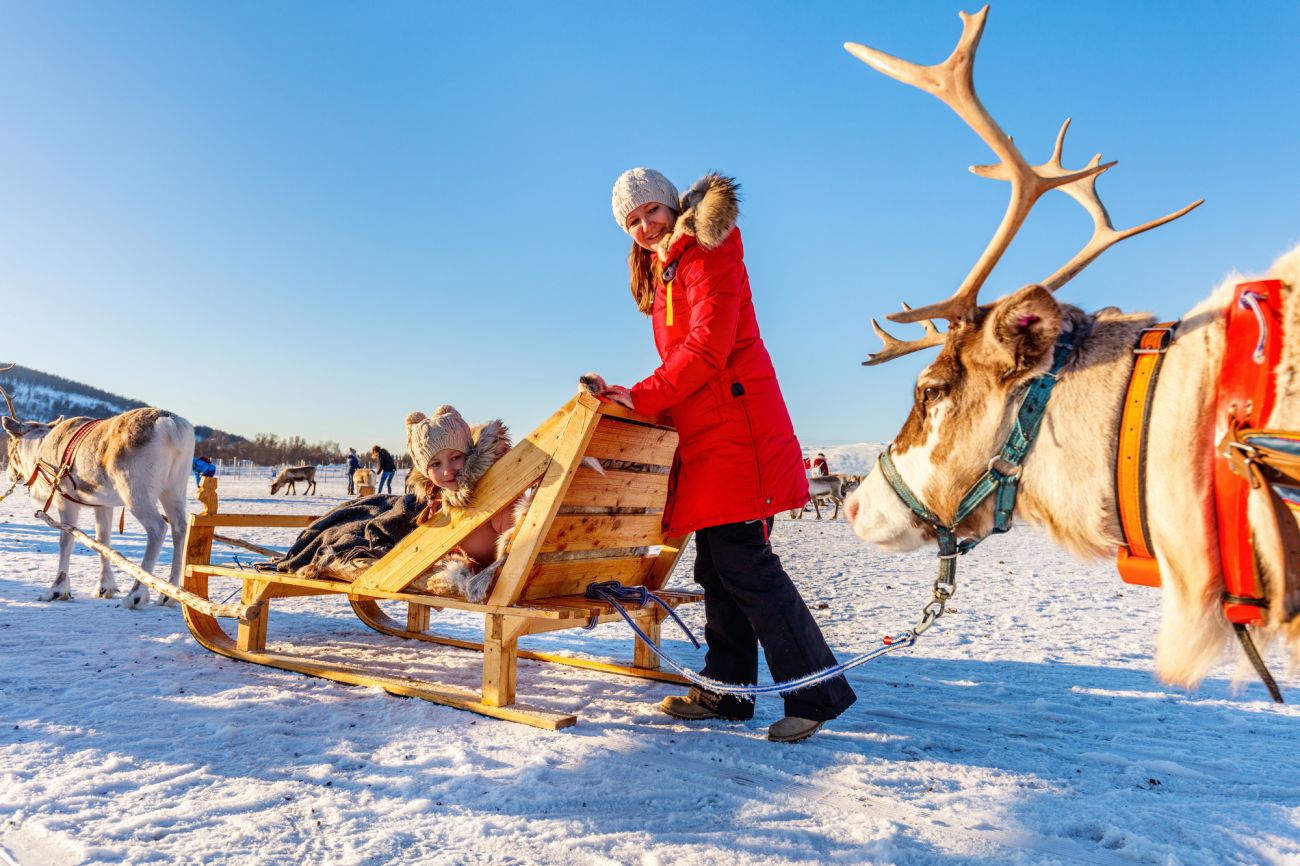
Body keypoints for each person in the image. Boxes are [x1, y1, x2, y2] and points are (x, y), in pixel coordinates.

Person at [595, 168, 856, 743]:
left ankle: (816, 693)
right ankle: (727, 691)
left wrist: (645, 394)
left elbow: (708, 349)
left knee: (746, 564)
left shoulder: (706, 253)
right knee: (717, 568)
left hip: (741, 430)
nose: (645, 225)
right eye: (632, 220)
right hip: (711, 434)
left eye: (651, 211)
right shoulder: (669, 266)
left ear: (672, 205)